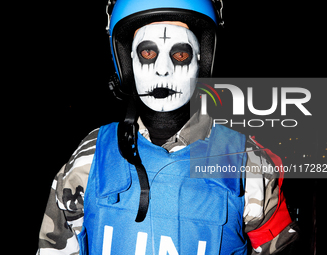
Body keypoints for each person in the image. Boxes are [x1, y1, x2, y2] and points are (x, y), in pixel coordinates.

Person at [37, 1, 299, 254]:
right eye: (148, 53)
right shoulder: (92, 155)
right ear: (127, 63)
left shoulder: (245, 162)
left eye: (180, 54)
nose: (163, 70)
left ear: (202, 59)